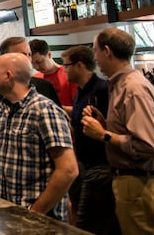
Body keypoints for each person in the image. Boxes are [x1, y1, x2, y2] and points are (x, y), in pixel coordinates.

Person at [82, 28, 154, 234]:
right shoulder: (122, 84)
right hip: (137, 184)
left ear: (107, 51)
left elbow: (150, 145)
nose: (94, 58)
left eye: (95, 51)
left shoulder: (132, 89)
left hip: (142, 184)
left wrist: (104, 135)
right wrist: (104, 125)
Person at [0, 53, 78, 222]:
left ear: (8, 76)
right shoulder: (0, 110)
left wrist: (35, 212)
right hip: (7, 215)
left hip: (41, 220)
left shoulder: (44, 111)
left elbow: (68, 170)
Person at [61, 45, 116, 234]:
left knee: (85, 226)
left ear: (79, 65)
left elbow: (113, 126)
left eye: (66, 65)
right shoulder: (80, 93)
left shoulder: (102, 90)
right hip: (84, 165)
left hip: (101, 167)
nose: (64, 70)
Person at [0, 37, 61, 148]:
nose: (28, 59)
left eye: (29, 54)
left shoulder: (45, 87)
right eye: (22, 55)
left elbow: (61, 130)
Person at [30, 39, 79, 113]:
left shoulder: (69, 75)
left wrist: (54, 107)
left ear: (49, 54)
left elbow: (79, 109)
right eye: (32, 64)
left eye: (39, 62)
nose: (37, 67)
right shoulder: (35, 79)